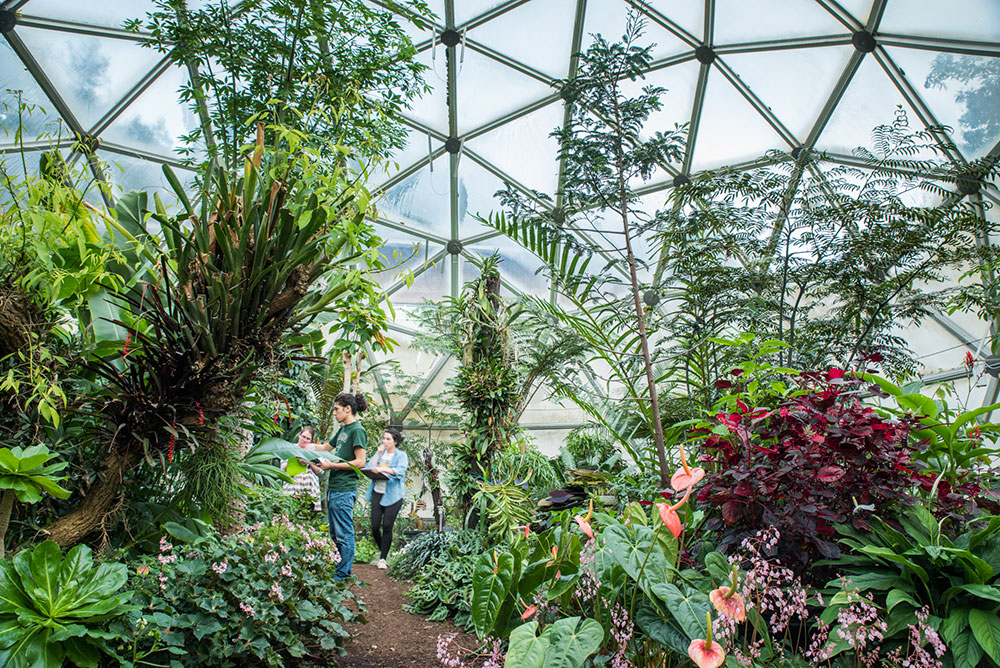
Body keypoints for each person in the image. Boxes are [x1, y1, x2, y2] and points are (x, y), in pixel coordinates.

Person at [308, 392, 367, 581]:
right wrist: (304, 446)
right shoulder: (343, 429)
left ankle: (342, 574)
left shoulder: (357, 430)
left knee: (344, 533)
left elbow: (360, 462)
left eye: (336, 409)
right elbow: (326, 447)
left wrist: (331, 465)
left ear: (347, 409)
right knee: (335, 532)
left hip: (345, 488)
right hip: (334, 488)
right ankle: (339, 569)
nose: (334, 413)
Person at [364, 427, 409, 569]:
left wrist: (383, 469)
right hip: (377, 492)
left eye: (388, 439)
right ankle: (383, 550)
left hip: (394, 495)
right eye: (384, 438)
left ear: (395, 442)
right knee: (375, 526)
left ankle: (383, 558)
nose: (385, 441)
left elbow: (400, 471)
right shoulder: (381, 454)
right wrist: (377, 454)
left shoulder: (401, 455)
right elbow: (369, 466)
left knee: (387, 526)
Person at [282, 426, 321, 513]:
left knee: (306, 516)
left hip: (309, 489)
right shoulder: (289, 448)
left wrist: (309, 461)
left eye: (308, 439)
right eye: (303, 437)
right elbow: (282, 467)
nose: (304, 440)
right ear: (299, 435)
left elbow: (320, 471)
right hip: (292, 486)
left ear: (311, 441)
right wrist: (295, 458)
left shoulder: (313, 451)